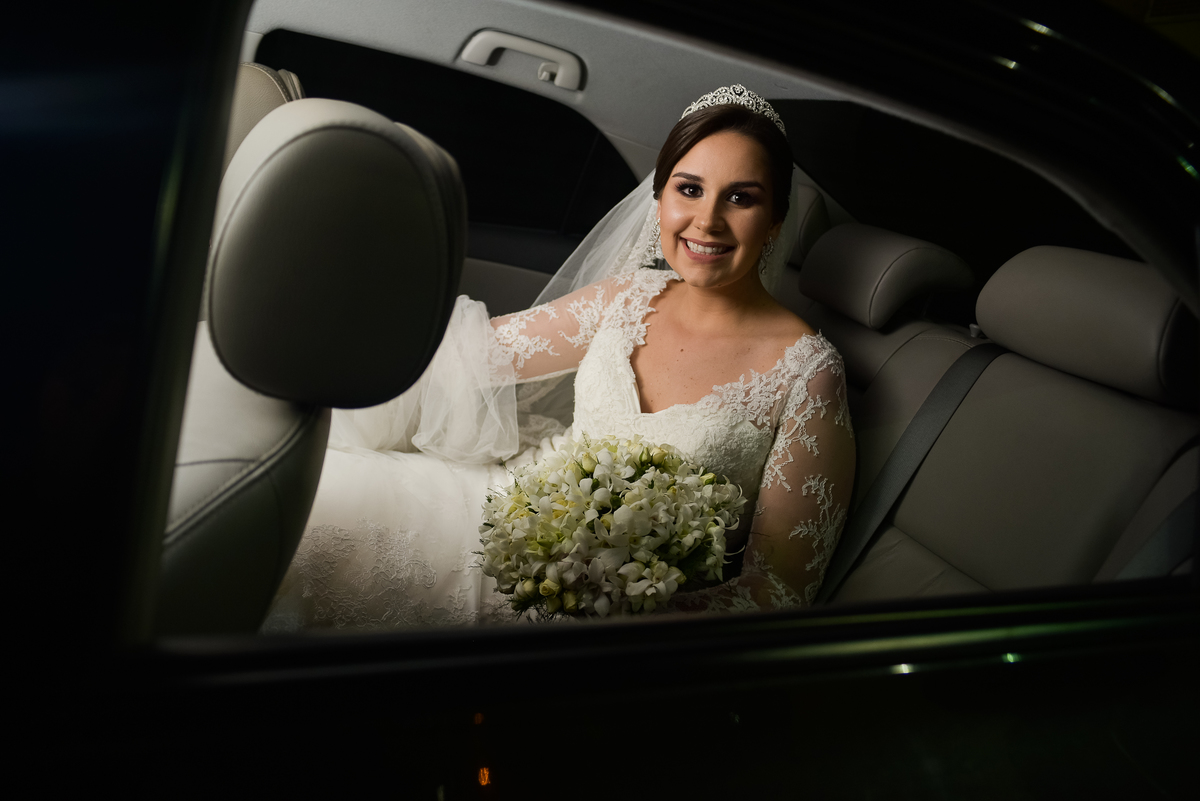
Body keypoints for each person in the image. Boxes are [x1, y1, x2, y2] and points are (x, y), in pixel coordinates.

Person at [262, 86, 855, 632]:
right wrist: (313, 313)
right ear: (660, 197)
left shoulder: (807, 373)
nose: (707, 220)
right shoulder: (628, 296)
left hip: (606, 612)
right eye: (689, 189)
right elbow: (473, 353)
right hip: (505, 509)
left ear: (774, 220)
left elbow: (778, 589)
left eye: (741, 198)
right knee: (302, 501)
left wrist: (618, 605)